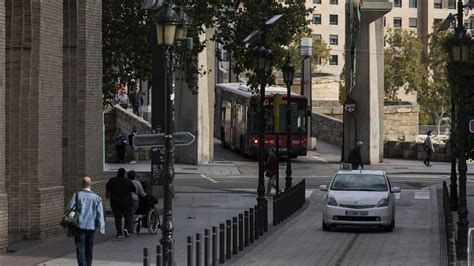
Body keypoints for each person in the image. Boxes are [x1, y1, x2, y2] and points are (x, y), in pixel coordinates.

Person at [65, 176, 105, 266]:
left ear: (82, 184)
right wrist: (102, 227)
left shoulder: (77, 195)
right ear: (91, 185)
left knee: (80, 247)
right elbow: (100, 213)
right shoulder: (96, 198)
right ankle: (88, 264)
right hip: (91, 226)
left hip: (79, 226)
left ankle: (82, 264)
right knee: (89, 247)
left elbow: (68, 208)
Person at [106, 168, 136, 238]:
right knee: (128, 216)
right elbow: (133, 189)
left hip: (115, 202)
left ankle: (119, 232)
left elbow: (107, 187)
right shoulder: (127, 181)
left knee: (118, 217)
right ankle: (126, 228)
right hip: (127, 201)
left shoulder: (112, 180)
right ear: (124, 173)